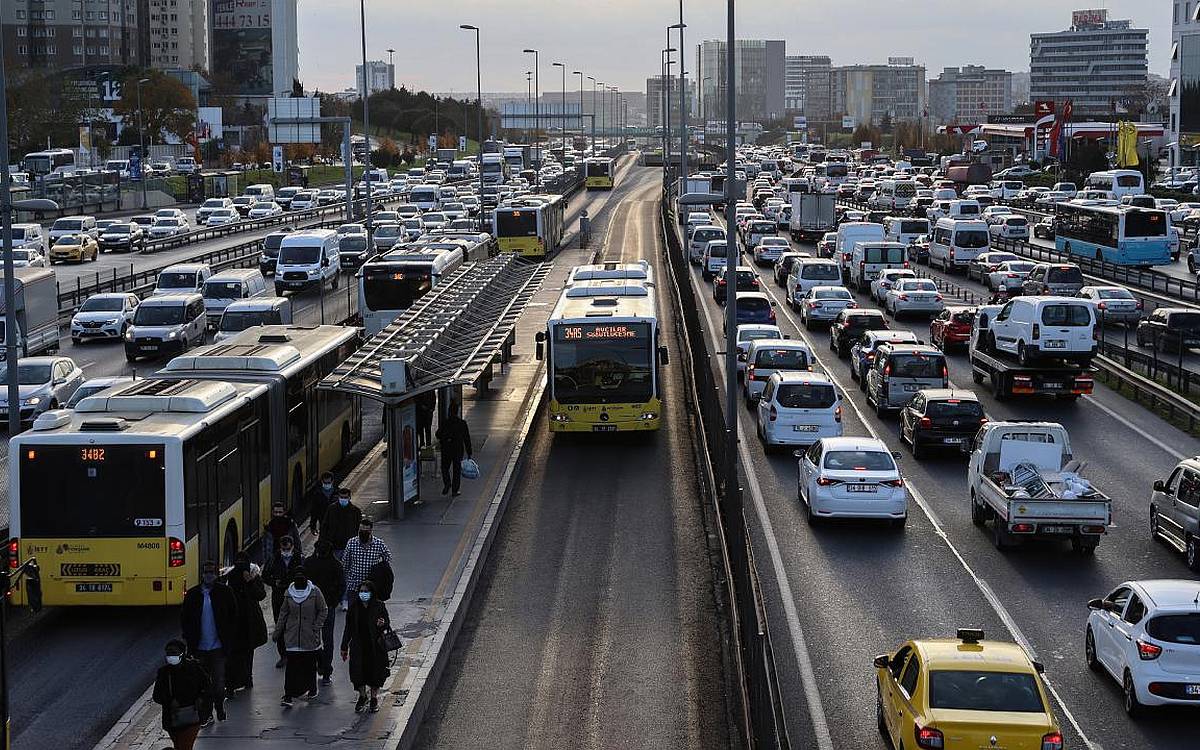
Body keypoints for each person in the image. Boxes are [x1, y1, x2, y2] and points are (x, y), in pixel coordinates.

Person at [179, 561, 237, 723]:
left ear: (216, 575)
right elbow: (185, 619)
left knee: (218, 684)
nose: (209, 575)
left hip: (218, 648)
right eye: (206, 572)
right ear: (202, 575)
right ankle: (207, 714)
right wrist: (189, 639)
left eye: (212, 572)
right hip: (199, 648)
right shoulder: (192, 595)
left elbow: (233, 616)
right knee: (203, 685)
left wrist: (229, 639)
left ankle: (219, 707)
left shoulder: (225, 592)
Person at [273, 566, 328, 707]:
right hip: (292, 637)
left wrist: (316, 627)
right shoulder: (289, 593)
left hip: (309, 637)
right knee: (291, 668)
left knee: (309, 666)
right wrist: (277, 632)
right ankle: (288, 695)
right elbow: (283, 614)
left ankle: (312, 688)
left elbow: (323, 610)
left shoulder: (315, 592)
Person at [341, 581, 392, 713]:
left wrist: (382, 623)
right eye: (361, 591)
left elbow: (386, 623)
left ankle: (374, 698)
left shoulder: (379, 606)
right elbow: (348, 628)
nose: (363, 594)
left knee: (376, 672)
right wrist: (344, 646)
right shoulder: (354, 607)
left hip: (375, 646)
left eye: (366, 591)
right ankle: (363, 696)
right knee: (358, 673)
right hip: (359, 647)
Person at [152, 639, 211, 750]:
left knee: (185, 747)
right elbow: (157, 696)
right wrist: (170, 701)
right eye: (168, 653)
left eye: (174, 653)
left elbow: (207, 686)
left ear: (182, 653)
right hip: (173, 719)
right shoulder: (164, 672)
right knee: (179, 746)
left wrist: (201, 698)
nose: (170, 656)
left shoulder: (194, 668)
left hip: (192, 717)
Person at [223, 552, 268, 693]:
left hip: (250, 620)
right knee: (234, 654)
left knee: (248, 652)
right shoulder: (229, 577)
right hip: (235, 621)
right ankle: (232, 683)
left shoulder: (253, 575)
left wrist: (250, 582)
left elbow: (261, 595)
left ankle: (247, 678)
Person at [304, 538, 345, 684]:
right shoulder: (336, 565)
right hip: (328, 607)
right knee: (328, 639)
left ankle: (313, 669)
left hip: (311, 607)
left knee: (311, 639)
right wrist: (334, 601)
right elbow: (342, 585)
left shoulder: (308, 563)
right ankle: (326, 670)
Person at [263, 534, 303, 667]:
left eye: (288, 549)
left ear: (292, 547)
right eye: (283, 549)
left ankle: (295, 655)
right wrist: (274, 582)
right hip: (279, 597)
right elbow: (265, 576)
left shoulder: (299, 558)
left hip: (296, 596)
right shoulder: (274, 558)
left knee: (294, 626)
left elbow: (306, 576)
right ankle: (283, 655)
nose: (285, 552)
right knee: (280, 626)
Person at [342, 518, 391, 610]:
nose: (363, 533)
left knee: (371, 614)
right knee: (353, 614)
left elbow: (387, 558)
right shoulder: (351, 543)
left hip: (371, 587)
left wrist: (379, 570)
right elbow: (346, 563)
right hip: (354, 585)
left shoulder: (379, 544)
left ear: (371, 531)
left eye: (366, 531)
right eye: (361, 530)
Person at [435, 402, 473, 496]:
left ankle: (447, 483)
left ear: (449, 411)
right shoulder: (462, 423)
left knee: (445, 468)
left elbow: (438, 434)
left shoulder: (445, 422)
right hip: (457, 450)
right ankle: (455, 490)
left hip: (446, 449)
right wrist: (469, 452)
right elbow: (466, 438)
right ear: (457, 411)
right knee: (456, 470)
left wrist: (445, 439)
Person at [320, 488, 363, 562]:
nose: (343, 499)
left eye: (345, 497)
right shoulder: (331, 509)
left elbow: (358, 528)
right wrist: (323, 542)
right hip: (334, 546)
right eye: (341, 497)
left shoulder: (356, 511)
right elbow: (324, 526)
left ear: (349, 497)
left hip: (349, 547)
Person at [308, 472, 338, 536]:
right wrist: (313, 526)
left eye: (329, 483)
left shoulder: (338, 493)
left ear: (332, 481)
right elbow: (314, 511)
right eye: (325, 483)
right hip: (323, 525)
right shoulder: (317, 495)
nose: (327, 484)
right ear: (322, 482)